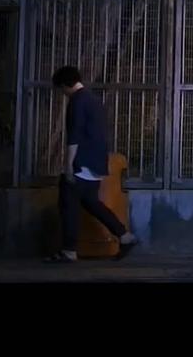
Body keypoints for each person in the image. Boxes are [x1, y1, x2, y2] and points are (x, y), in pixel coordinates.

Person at [45, 66, 138, 263]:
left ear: (65, 85)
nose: (62, 93)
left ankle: (69, 250)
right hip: (96, 164)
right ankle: (124, 236)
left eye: (61, 89)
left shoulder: (77, 102)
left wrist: (68, 165)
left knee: (68, 205)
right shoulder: (95, 101)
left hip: (81, 163)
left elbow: (75, 136)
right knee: (91, 203)